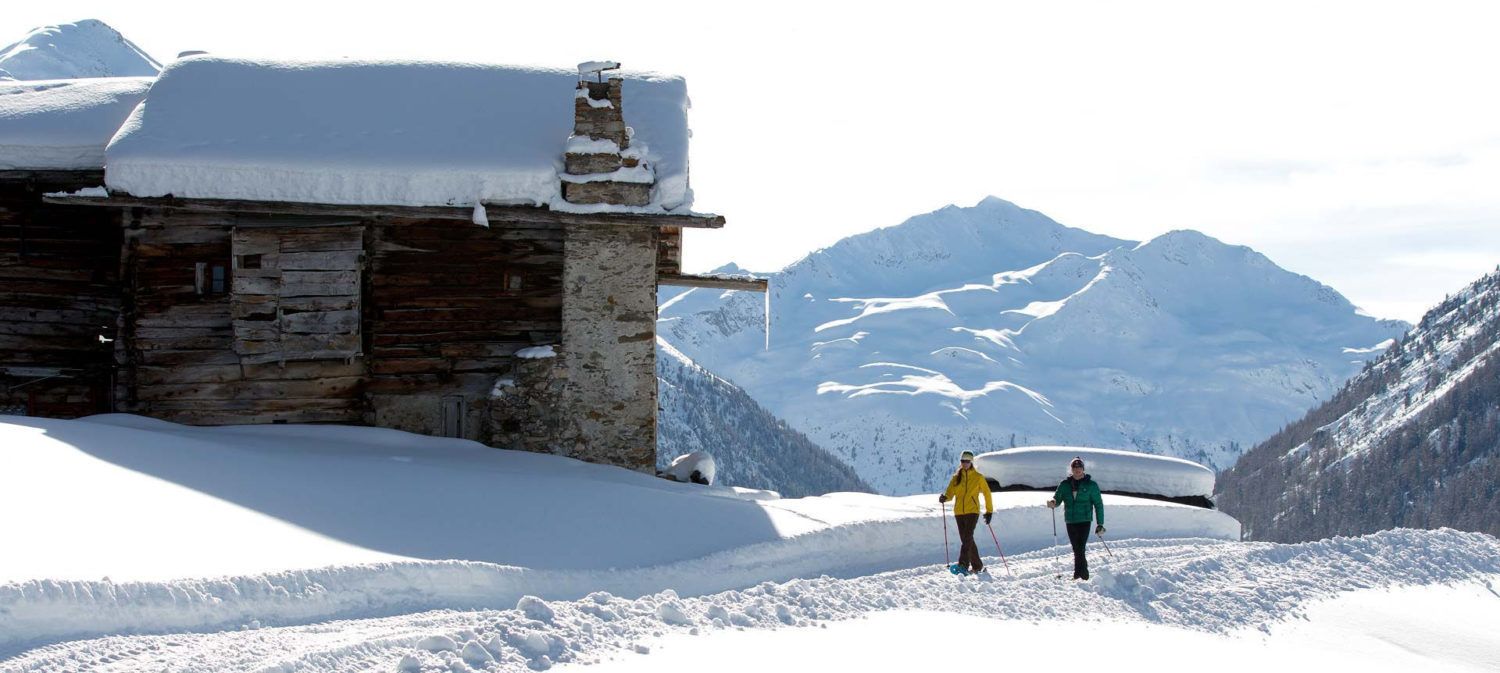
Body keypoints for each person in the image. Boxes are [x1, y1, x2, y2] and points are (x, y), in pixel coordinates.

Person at [1047, 456, 1105, 580]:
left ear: (1083, 469)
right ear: (1071, 469)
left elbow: (1098, 505)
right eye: (1075, 468)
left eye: (1079, 468)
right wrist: (1053, 502)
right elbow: (1057, 499)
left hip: (1084, 520)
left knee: (1080, 547)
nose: (1077, 470)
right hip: (1071, 520)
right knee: (1076, 547)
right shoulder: (1064, 485)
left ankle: (1080, 574)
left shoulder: (1091, 485)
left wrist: (1100, 523)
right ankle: (1082, 573)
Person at [938, 450, 994, 574]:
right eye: (962, 461)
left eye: (967, 461)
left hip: (972, 512)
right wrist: (944, 498)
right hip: (959, 512)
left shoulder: (978, 477)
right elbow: (950, 493)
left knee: (967, 537)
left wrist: (989, 511)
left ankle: (963, 564)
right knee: (966, 539)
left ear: (971, 462)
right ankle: (977, 566)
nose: (964, 463)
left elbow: (987, 494)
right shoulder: (956, 478)